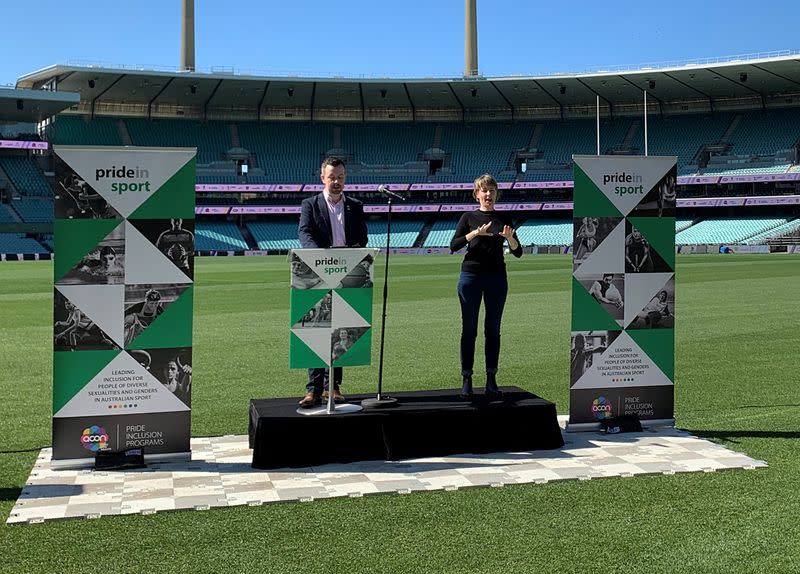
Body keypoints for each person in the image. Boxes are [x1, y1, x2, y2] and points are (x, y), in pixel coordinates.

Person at [296, 157, 368, 407]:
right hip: (316, 272)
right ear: (322, 178)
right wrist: (318, 256)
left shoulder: (356, 206)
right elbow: (304, 232)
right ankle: (313, 389)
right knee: (315, 328)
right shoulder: (310, 204)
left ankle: (333, 386)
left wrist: (350, 255)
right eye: (332, 177)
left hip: (346, 273)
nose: (336, 182)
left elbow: (362, 237)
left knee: (340, 330)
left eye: (340, 177)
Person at [450, 174, 522, 399]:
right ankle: (467, 379)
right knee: (469, 329)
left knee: (493, 330)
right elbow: (454, 245)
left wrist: (510, 239)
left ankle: (491, 379)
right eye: (484, 190)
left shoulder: (504, 217)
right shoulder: (468, 217)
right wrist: (475, 233)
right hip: (470, 277)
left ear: (496, 193)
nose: (488, 194)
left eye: (491, 190)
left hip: (497, 278)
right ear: (477, 194)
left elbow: (518, 252)